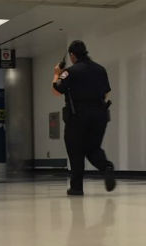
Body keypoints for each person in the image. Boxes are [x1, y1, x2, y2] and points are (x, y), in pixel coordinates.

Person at [51, 40, 116, 196]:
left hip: (77, 117)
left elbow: (57, 91)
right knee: (92, 148)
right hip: (100, 116)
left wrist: (57, 74)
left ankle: (76, 187)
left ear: (72, 55)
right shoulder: (100, 69)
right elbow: (107, 93)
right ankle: (106, 167)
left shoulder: (70, 72)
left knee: (75, 151)